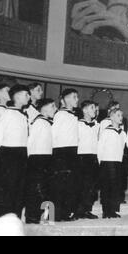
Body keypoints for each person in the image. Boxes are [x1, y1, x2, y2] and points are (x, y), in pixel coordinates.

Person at [0, 85, 30, 223]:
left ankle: (14, 219)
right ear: (17, 96)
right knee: (7, 189)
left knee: (19, 189)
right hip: (9, 153)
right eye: (26, 94)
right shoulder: (7, 113)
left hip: (21, 152)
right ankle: (0, 221)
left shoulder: (23, 114)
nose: (29, 97)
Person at [25, 98, 56, 224]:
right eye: (53, 106)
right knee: (35, 189)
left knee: (44, 189)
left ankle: (44, 216)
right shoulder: (38, 123)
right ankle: (32, 216)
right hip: (37, 158)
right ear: (44, 108)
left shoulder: (47, 123)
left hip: (46, 158)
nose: (55, 109)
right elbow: (30, 142)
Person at [51, 89, 79, 222]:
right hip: (61, 152)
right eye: (74, 97)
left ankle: (65, 213)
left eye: (77, 97)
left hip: (72, 151)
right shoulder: (60, 115)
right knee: (59, 184)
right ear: (65, 99)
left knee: (69, 184)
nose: (77, 99)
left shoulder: (72, 115)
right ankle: (55, 215)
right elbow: (54, 134)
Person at [98, 108, 127, 219]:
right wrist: (101, 162)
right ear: (112, 117)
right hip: (107, 162)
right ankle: (106, 211)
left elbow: (124, 147)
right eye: (118, 115)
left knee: (116, 187)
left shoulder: (122, 133)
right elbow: (100, 148)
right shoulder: (106, 131)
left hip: (118, 162)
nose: (121, 117)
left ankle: (113, 210)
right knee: (107, 187)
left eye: (121, 115)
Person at [75, 101, 100, 220]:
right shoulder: (78, 124)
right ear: (84, 110)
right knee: (80, 184)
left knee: (91, 186)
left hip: (93, 157)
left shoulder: (97, 125)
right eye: (92, 108)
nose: (94, 110)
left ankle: (86, 210)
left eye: (95, 108)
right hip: (81, 156)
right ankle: (77, 210)